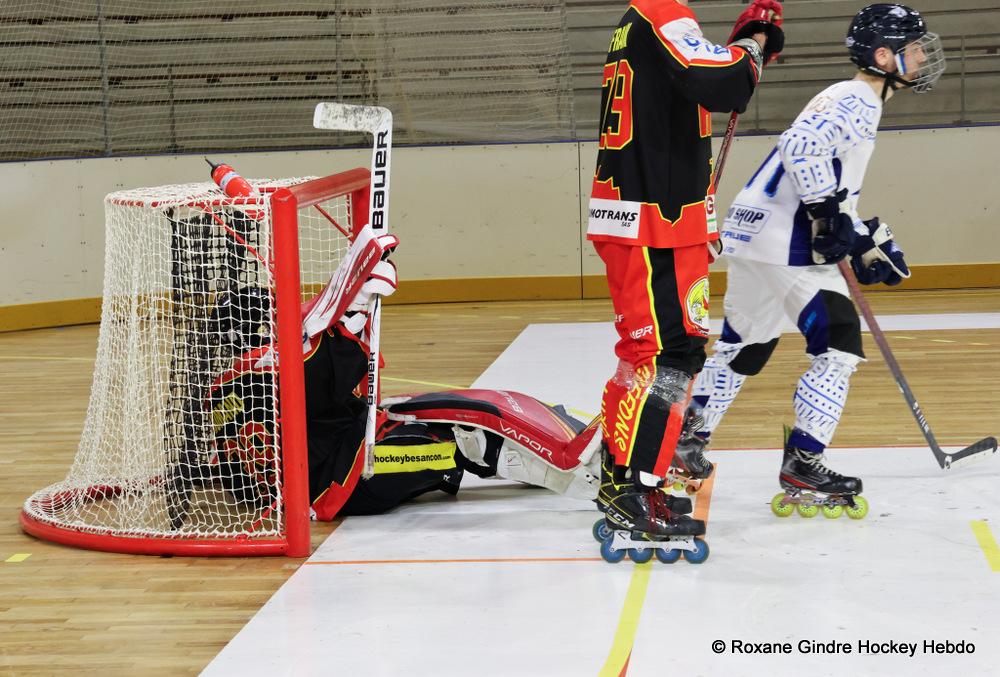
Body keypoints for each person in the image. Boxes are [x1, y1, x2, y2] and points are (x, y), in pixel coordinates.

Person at [688, 4, 945, 519]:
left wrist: (861, 237)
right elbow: (801, 146)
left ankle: (685, 437)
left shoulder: (850, 97)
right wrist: (827, 218)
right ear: (883, 56)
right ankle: (804, 461)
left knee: (746, 346)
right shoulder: (858, 98)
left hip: (756, 231)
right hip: (787, 241)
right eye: (914, 48)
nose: (922, 57)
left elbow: (822, 171)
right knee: (840, 344)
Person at [208, 227, 604, 520]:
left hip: (344, 454)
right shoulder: (269, 369)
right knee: (459, 440)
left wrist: (351, 319)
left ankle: (553, 439)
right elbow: (323, 379)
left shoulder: (227, 387)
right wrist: (352, 319)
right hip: (350, 476)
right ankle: (580, 478)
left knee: (438, 408)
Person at [586, 0, 784, 562]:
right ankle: (636, 488)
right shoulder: (662, 13)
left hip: (656, 221)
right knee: (669, 357)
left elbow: (683, 98)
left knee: (648, 355)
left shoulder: (637, 23)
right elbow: (720, 83)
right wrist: (752, 44)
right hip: (654, 226)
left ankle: (622, 477)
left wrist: (704, 222)